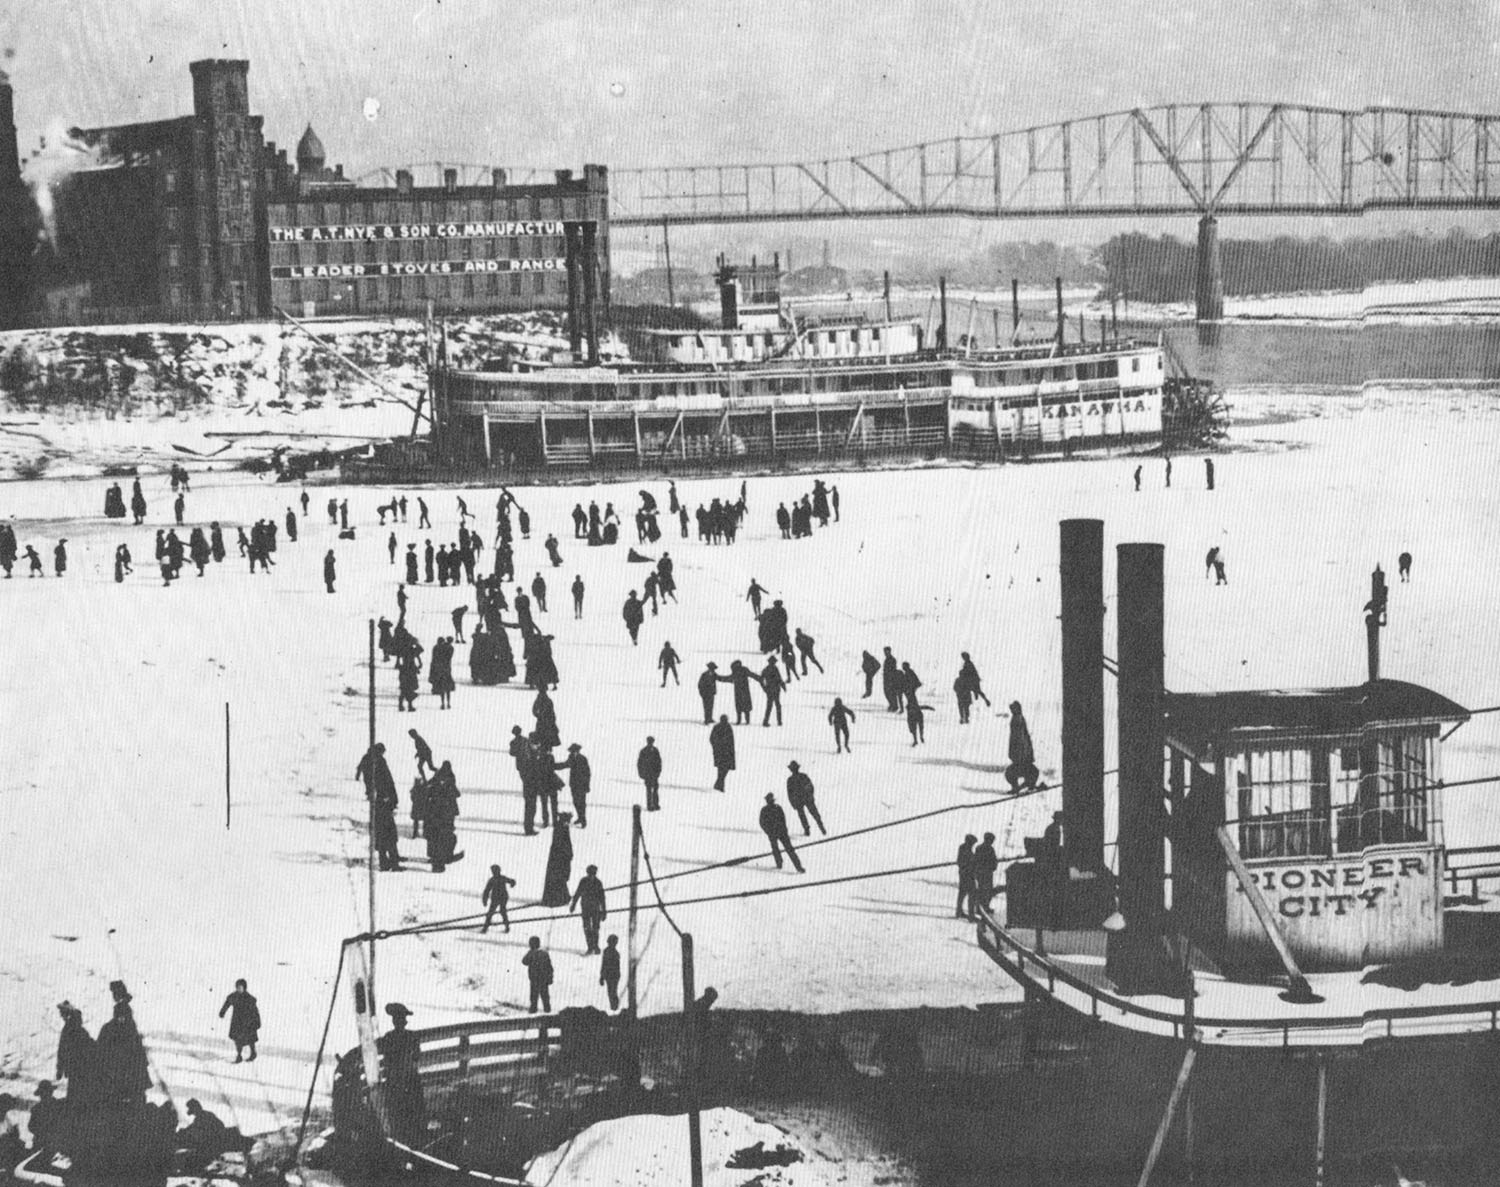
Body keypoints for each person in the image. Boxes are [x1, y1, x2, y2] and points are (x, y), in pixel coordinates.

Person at [376, 1003, 426, 1144]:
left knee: (397, 1113)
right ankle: (416, 1139)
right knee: (415, 1111)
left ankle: (400, 1140)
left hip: (395, 1080)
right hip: (410, 1079)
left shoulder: (388, 1037)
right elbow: (416, 1057)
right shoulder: (412, 1037)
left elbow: (386, 1059)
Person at [216, 978, 261, 1064]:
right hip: (237, 1022)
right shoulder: (234, 996)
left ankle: (253, 1053)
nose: (239, 989)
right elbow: (227, 1003)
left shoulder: (249, 998)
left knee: (250, 1039)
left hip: (248, 1022)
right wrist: (222, 1012)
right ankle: (239, 1055)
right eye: (237, 987)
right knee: (237, 1039)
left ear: (244, 988)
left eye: (240, 987)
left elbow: (255, 1011)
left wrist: (257, 1022)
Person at [758, 793, 804, 872]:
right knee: (782, 849)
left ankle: (797, 866)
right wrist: (769, 831)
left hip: (780, 832)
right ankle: (783, 864)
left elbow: (783, 820)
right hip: (777, 832)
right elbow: (762, 823)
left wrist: (782, 830)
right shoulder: (770, 809)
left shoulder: (774, 808)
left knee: (786, 849)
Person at [571, 864, 607, 954]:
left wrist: (604, 911)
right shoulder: (583, 881)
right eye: (590, 874)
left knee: (596, 928)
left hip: (595, 909)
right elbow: (578, 893)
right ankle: (590, 947)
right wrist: (573, 904)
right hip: (586, 908)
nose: (591, 876)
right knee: (587, 928)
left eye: (593, 874)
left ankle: (596, 946)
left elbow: (602, 898)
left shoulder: (598, 883)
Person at [541, 813, 574, 906]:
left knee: (559, 877)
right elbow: (561, 844)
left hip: (559, 857)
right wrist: (567, 854)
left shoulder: (562, 827)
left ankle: (561, 897)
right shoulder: (560, 828)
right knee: (559, 877)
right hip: (559, 858)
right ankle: (558, 899)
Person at [1005, 702, 1039, 791]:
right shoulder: (1018, 718)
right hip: (1022, 752)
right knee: (1030, 770)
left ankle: (1022, 785)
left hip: (1021, 753)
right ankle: (1028, 783)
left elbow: (1020, 738)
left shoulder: (1017, 719)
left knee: (1011, 772)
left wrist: (1020, 754)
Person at [786, 761, 826, 836]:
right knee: (814, 814)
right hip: (806, 799)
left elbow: (790, 793)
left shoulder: (790, 779)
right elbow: (810, 787)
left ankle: (808, 830)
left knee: (803, 816)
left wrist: (793, 803)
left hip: (800, 800)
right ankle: (821, 828)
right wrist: (810, 796)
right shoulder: (803, 776)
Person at [557, 742, 592, 827]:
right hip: (574, 784)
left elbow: (587, 773)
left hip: (582, 785)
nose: (572, 753)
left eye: (574, 751)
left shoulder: (583, 759)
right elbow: (565, 765)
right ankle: (580, 817)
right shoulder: (571, 757)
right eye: (571, 751)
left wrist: (587, 785)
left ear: (578, 751)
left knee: (582, 803)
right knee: (576, 802)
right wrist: (553, 765)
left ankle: (583, 820)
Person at [480, 864, 517, 934]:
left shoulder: (494, 879)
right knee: (497, 912)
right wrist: (484, 900)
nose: (494, 872)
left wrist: (485, 900)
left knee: (496, 912)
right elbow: (486, 891)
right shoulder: (496, 879)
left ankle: (486, 928)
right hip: (499, 897)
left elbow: (486, 891)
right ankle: (505, 927)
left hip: (501, 897)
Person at [28, 1081, 62, 1152]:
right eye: (42, 1094)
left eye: (44, 1093)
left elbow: (31, 1126)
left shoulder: (37, 1108)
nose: (42, 1096)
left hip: (48, 1143)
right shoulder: (59, 1106)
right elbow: (31, 1126)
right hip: (49, 1143)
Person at [522, 937, 554, 1014]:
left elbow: (524, 961)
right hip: (544, 980)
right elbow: (550, 968)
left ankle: (533, 1011)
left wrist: (530, 952)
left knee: (533, 997)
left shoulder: (531, 954)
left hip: (534, 979)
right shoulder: (544, 954)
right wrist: (550, 978)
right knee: (545, 997)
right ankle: (548, 1011)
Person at [972, 833, 999, 912]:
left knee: (981, 891)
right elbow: (993, 861)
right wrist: (993, 867)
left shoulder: (979, 848)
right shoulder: (990, 849)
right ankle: (984, 908)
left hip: (980, 872)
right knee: (987, 891)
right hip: (987, 873)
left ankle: (979, 908)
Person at [709, 715, 736, 792]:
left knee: (724, 769)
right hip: (721, 752)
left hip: (727, 752)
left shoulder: (728, 727)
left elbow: (731, 741)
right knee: (722, 769)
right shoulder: (718, 727)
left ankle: (719, 784)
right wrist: (717, 747)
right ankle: (720, 785)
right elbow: (712, 739)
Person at [637, 735, 663, 811]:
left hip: (654, 774)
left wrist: (658, 771)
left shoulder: (655, 750)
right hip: (647, 774)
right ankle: (649, 805)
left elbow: (659, 762)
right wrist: (641, 773)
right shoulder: (643, 751)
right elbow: (640, 763)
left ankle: (655, 804)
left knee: (655, 789)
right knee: (649, 790)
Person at [956, 834, 978, 919]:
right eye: (973, 843)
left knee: (962, 894)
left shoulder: (963, 848)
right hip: (968, 875)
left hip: (964, 874)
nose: (973, 844)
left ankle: (959, 912)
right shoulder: (965, 849)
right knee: (971, 895)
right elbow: (965, 862)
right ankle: (971, 915)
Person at [759, 657, 786, 727]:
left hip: (772, 689)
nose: (774, 663)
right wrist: (783, 686)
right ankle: (776, 721)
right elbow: (779, 678)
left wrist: (764, 688)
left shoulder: (768, 669)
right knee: (774, 706)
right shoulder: (771, 669)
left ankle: (771, 721)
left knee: (772, 706)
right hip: (773, 689)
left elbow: (779, 678)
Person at [600, 935, 622, 1012]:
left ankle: (614, 1007)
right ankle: (613, 1006)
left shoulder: (615, 954)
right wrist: (602, 976)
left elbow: (606, 965)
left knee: (612, 992)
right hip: (609, 975)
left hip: (613, 975)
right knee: (611, 992)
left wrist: (602, 976)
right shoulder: (607, 951)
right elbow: (603, 964)